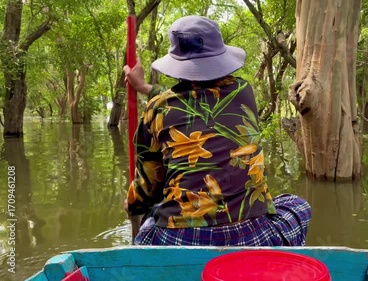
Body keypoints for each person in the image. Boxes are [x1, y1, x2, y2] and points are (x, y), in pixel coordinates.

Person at [123, 15, 311, 246]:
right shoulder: (244, 91)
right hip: (252, 235)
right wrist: (145, 88)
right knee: (298, 205)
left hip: (179, 241)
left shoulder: (158, 108)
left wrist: (133, 204)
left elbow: (147, 189)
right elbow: (194, 99)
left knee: (150, 215)